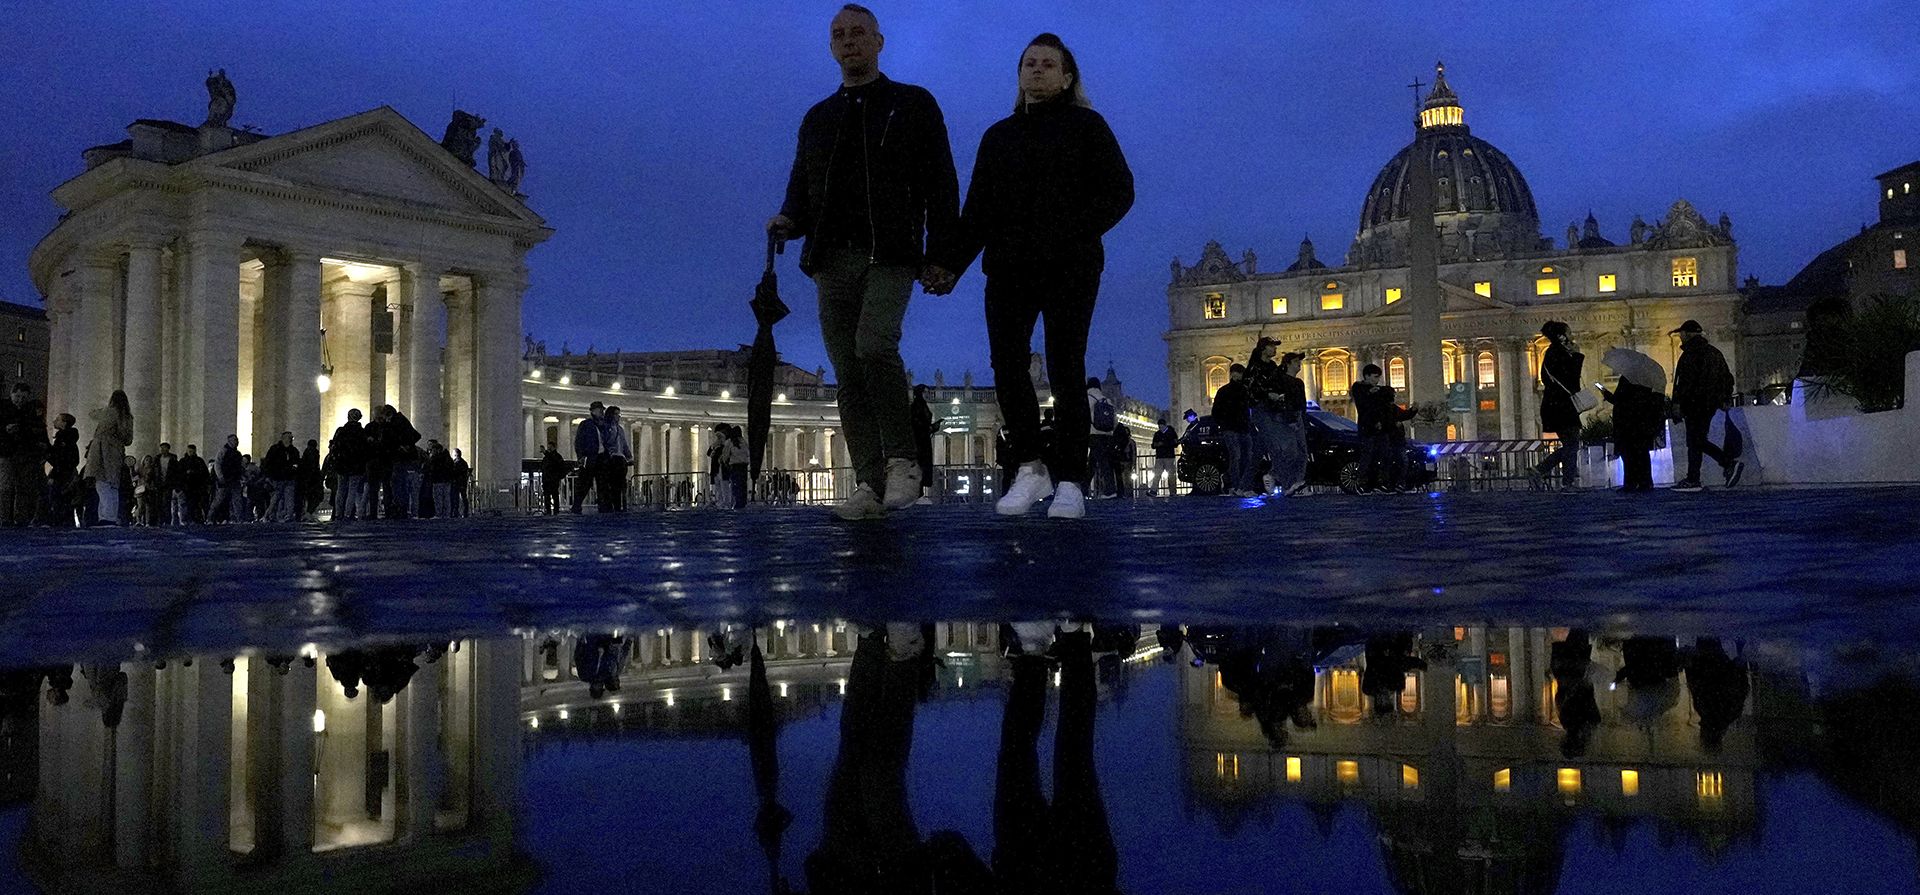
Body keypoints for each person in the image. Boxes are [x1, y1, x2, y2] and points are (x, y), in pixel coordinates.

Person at [769, 4, 961, 520]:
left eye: (858, 33)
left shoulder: (914, 104)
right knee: (847, 371)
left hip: (893, 251)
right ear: (831, 47)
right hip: (831, 257)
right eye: (839, 35)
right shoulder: (818, 117)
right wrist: (788, 219)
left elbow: (941, 182)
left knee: (874, 345)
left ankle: (902, 461)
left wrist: (943, 254)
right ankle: (869, 483)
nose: (849, 42)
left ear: (879, 42)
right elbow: (802, 187)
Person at [938, 32, 1134, 520]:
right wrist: (949, 265)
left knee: (1067, 370)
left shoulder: (1089, 127)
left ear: (1067, 77)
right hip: (1008, 265)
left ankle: (1070, 479)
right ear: (1020, 74)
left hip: (1071, 264)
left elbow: (1120, 191)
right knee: (1007, 365)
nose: (1038, 70)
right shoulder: (998, 135)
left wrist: (1076, 231)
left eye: (1048, 64)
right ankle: (1029, 467)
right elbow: (977, 211)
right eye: (1030, 63)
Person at [1671, 319, 1743, 491]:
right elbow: (1727, 378)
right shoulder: (1714, 352)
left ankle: (1726, 463)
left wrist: (1677, 404)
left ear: (1687, 334)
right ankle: (1694, 477)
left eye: (1681, 334)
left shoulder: (1689, 354)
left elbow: (1683, 383)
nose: (1680, 337)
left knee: (1695, 441)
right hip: (1710, 403)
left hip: (1694, 403)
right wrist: (1724, 398)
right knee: (1697, 441)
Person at [1247, 341, 1310, 497]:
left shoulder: (1276, 370)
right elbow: (1253, 389)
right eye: (1272, 346)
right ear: (1263, 349)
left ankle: (1290, 482)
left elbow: (1299, 402)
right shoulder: (1256, 368)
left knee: (1295, 451)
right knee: (1285, 449)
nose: (1275, 349)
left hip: (1286, 414)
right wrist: (1269, 396)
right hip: (1269, 413)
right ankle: (1285, 481)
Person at [1531, 321, 1586, 491]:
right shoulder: (1559, 353)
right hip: (1561, 406)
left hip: (1554, 405)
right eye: (1569, 333)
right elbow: (1572, 381)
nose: (1572, 336)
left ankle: (1543, 471)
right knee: (1572, 444)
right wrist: (1577, 356)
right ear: (1561, 336)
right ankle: (1565, 481)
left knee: (1570, 444)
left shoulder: (1551, 353)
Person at [1351, 364, 1414, 493]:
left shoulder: (1379, 391)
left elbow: (1387, 397)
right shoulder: (1359, 387)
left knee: (1385, 455)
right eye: (1374, 377)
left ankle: (1381, 483)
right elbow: (1362, 403)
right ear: (1367, 376)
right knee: (1367, 457)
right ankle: (1362, 483)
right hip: (1367, 428)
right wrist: (1369, 392)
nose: (1376, 381)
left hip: (1381, 429)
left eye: (1378, 378)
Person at [1600, 372, 1665, 493]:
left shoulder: (1627, 380)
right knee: (1641, 454)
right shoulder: (1647, 380)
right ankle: (1645, 482)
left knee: (1629, 455)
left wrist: (1606, 394)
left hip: (1627, 423)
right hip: (1641, 423)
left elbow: (1619, 401)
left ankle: (1631, 483)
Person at [85, 390, 134, 526]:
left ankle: (106, 516)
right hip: (116, 451)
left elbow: (91, 413)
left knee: (102, 483)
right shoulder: (127, 417)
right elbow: (128, 439)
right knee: (113, 485)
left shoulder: (108, 412)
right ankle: (110, 516)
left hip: (101, 450)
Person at [1211, 363, 1255, 496]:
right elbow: (1216, 412)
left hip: (1243, 428)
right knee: (1236, 456)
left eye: (1239, 374)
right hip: (1230, 429)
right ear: (1231, 374)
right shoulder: (1224, 391)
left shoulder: (1245, 390)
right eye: (1235, 373)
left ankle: (1244, 486)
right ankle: (1236, 486)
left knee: (1247, 457)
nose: (1237, 376)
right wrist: (1223, 425)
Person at [330, 409, 370, 521]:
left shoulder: (341, 431)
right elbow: (365, 450)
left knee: (341, 490)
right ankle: (347, 514)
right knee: (352, 491)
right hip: (356, 466)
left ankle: (338, 514)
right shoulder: (361, 432)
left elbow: (334, 446)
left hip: (342, 465)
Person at [1084, 378, 1119, 500]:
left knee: (1102, 462)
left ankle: (1110, 491)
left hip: (1093, 434)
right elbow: (1115, 421)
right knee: (1093, 463)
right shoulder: (1107, 400)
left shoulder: (1087, 399)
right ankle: (1083, 489)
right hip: (1107, 435)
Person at [571, 401, 607, 513]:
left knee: (602, 483)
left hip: (601, 457)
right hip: (589, 457)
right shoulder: (586, 424)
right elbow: (579, 441)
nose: (602, 412)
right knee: (585, 482)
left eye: (602, 410)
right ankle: (576, 505)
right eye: (600, 409)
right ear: (592, 411)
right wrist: (581, 456)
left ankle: (603, 506)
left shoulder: (603, 425)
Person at [46, 412, 79, 526]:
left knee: (58, 500)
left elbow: (60, 459)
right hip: (66, 473)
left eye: (57, 419)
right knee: (66, 502)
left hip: (61, 475)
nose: (54, 421)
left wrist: (48, 453)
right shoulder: (70, 439)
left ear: (64, 423)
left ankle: (58, 522)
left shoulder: (63, 439)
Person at [263, 431, 300, 522]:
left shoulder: (293, 451)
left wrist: (294, 469)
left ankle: (288, 515)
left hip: (289, 477)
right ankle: (269, 515)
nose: (291, 440)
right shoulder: (275, 449)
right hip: (278, 478)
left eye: (291, 438)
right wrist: (269, 475)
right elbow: (268, 463)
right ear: (283, 438)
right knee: (276, 498)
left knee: (289, 498)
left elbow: (297, 462)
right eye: (289, 438)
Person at [600, 406, 631, 512]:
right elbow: (605, 442)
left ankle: (619, 506)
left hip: (621, 459)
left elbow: (624, 444)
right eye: (616, 414)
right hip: (612, 458)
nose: (619, 416)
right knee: (613, 484)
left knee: (620, 484)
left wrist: (629, 456)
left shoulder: (620, 429)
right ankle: (613, 506)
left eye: (619, 414)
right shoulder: (606, 427)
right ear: (611, 415)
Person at [911, 385, 936, 505]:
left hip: (922, 440)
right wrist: (930, 428)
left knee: (922, 466)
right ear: (920, 393)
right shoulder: (917, 407)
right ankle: (918, 494)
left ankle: (919, 494)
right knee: (920, 466)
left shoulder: (920, 405)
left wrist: (931, 428)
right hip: (919, 442)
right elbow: (917, 425)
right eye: (926, 392)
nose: (928, 394)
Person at [175, 443, 210, 524]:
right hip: (188, 486)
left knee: (195, 503)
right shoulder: (187, 461)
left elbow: (204, 474)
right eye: (190, 451)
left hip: (196, 486)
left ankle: (193, 519)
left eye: (192, 451)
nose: (191, 453)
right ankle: (192, 519)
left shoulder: (193, 461)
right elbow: (179, 474)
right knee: (190, 504)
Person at [425, 440, 456, 518]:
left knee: (438, 498)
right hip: (447, 480)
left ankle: (439, 513)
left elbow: (430, 467)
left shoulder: (436, 458)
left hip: (438, 480)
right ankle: (447, 514)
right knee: (446, 498)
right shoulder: (448, 458)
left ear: (437, 450)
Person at [1149, 417, 1178, 497]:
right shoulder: (1169, 433)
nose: (1160, 428)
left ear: (1165, 426)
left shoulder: (1167, 433)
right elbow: (1153, 445)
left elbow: (1175, 443)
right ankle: (1154, 490)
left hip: (1165, 456)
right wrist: (1159, 444)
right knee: (1159, 474)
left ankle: (1172, 491)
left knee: (1168, 475)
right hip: (1164, 456)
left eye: (1161, 426)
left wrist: (1162, 444)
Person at [299, 439, 323, 520]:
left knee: (308, 497)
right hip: (313, 479)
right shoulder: (314, 453)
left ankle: (306, 512)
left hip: (308, 479)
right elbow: (314, 467)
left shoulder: (307, 453)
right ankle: (308, 512)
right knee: (315, 497)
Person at [539, 444, 566, 515]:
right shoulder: (548, 457)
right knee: (548, 496)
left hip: (553, 479)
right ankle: (549, 510)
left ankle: (555, 510)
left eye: (550, 447)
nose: (548, 449)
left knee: (554, 495)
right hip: (548, 479)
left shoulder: (556, 456)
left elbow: (554, 460)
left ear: (554, 447)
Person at [451, 448, 471, 516]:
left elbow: (454, 473)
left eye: (453, 454)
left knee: (456, 498)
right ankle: (465, 512)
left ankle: (456, 512)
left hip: (457, 482)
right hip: (463, 482)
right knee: (464, 497)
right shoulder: (464, 462)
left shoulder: (456, 462)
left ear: (455, 454)